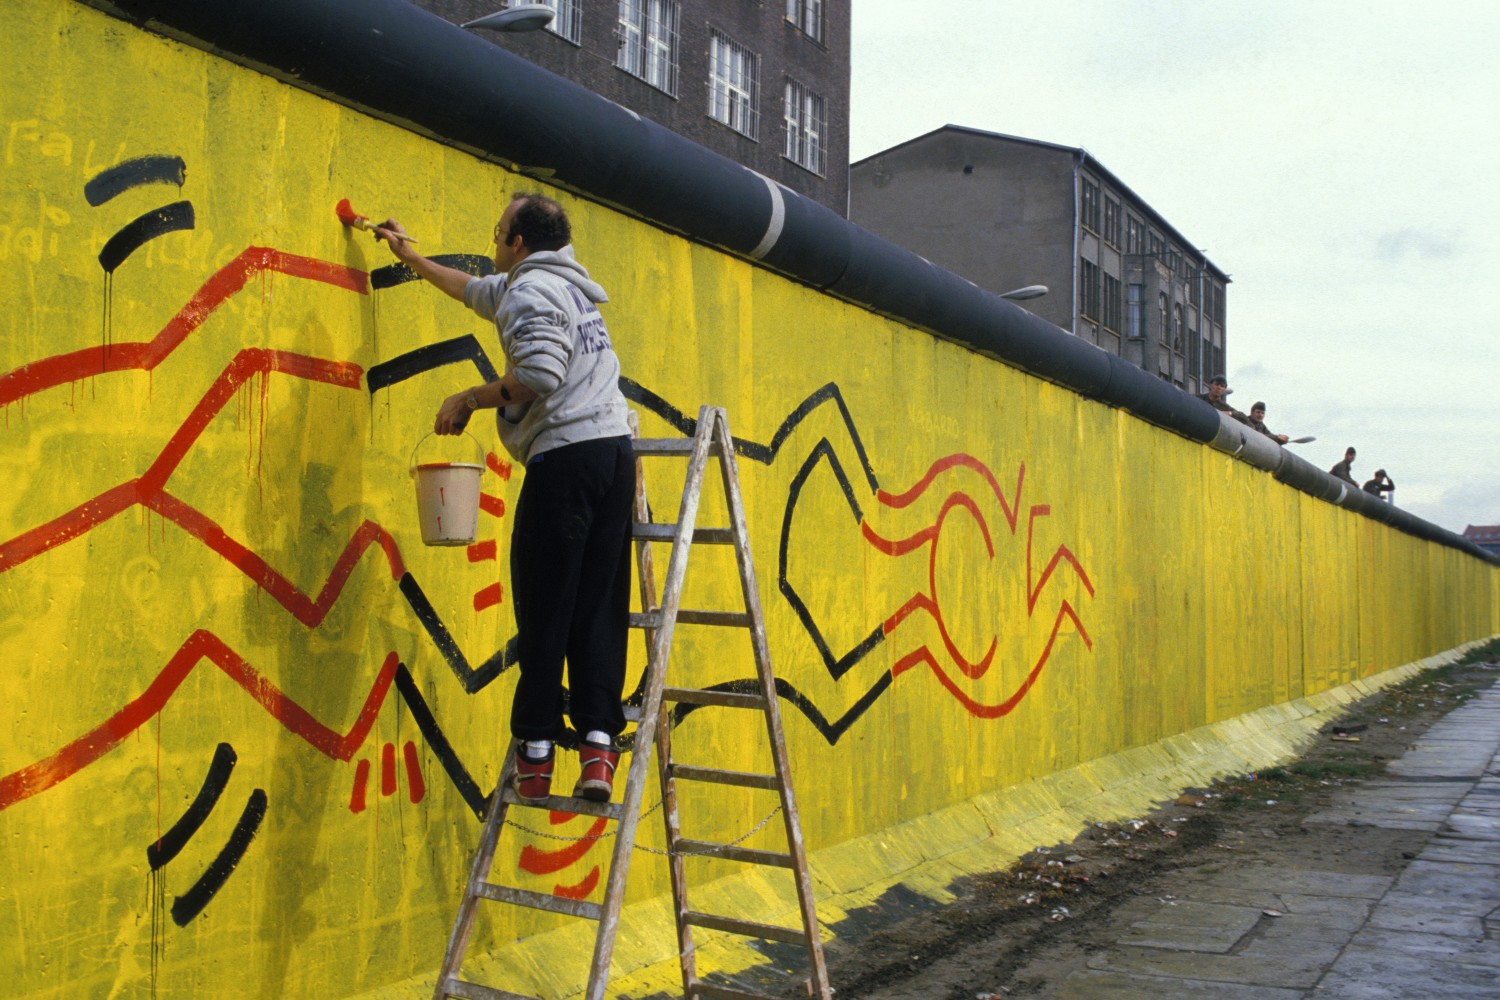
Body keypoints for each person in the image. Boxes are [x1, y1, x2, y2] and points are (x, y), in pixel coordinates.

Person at [376, 194, 634, 804]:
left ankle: (537, 751)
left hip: (567, 460)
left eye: (498, 232)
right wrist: (409, 254)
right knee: (600, 605)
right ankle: (598, 748)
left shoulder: (529, 294)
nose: (494, 242)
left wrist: (469, 397)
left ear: (517, 242)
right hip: (614, 454)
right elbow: (472, 289)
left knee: (547, 604)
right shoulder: (559, 286)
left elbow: (541, 372)